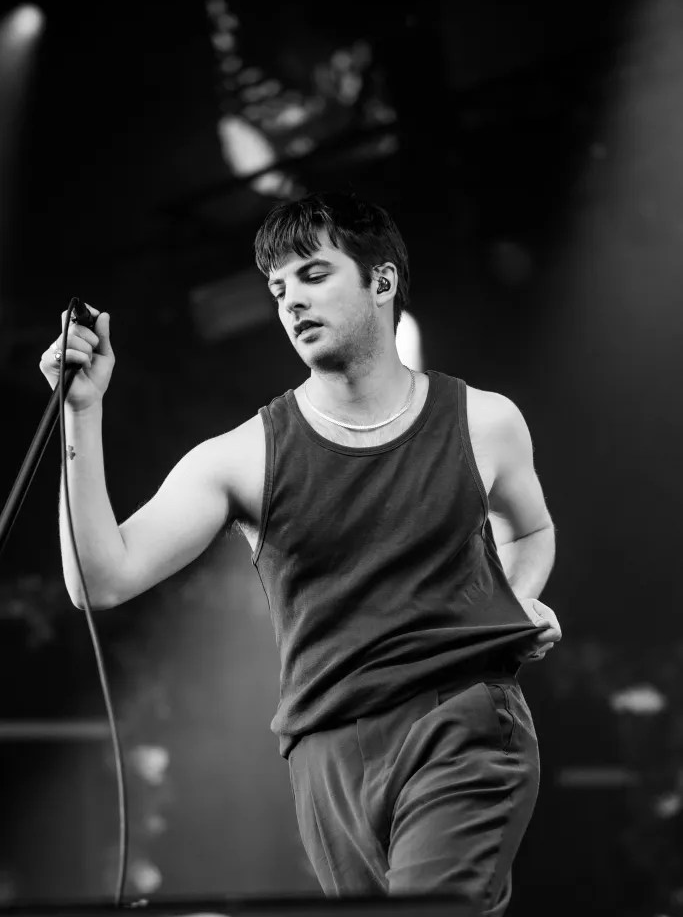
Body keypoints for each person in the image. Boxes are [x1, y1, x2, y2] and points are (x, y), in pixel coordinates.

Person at [40, 190, 561, 916]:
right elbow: (100, 580)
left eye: (313, 275)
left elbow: (529, 530)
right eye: (278, 288)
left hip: (459, 717)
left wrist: (518, 597)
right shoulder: (244, 454)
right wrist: (82, 412)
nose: (292, 301)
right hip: (324, 752)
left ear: (381, 281)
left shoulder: (485, 419)